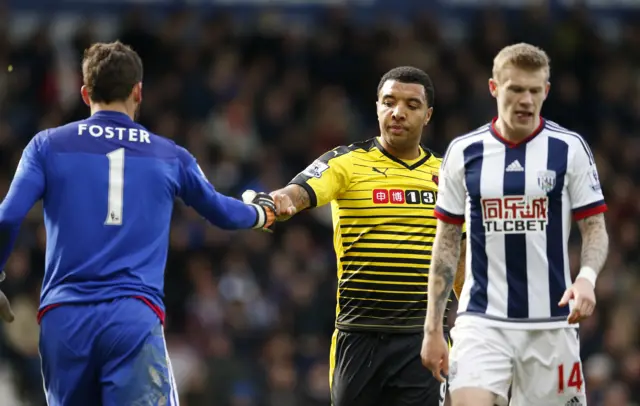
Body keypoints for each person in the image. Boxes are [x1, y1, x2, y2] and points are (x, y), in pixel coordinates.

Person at [0, 41, 276, 406]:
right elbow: (222, 212)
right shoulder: (170, 155)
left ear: (85, 93)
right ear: (138, 92)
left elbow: (7, 217)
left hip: (63, 320)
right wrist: (261, 211)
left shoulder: (46, 146)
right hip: (131, 318)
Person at [250, 66, 466, 406]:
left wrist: (474, 323)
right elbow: (298, 191)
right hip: (358, 336)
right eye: (389, 102)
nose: (398, 112)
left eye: (411, 104)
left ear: (428, 115)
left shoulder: (450, 175)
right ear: (377, 106)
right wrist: (280, 202)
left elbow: (461, 255)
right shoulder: (346, 162)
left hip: (421, 338)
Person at [421, 43, 609, 406]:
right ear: (494, 88)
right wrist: (433, 329)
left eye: (535, 91)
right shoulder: (464, 152)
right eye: (516, 89)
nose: (526, 100)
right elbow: (446, 243)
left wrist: (586, 277)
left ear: (546, 92)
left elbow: (595, 228)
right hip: (482, 321)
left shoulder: (569, 149)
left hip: (551, 326)